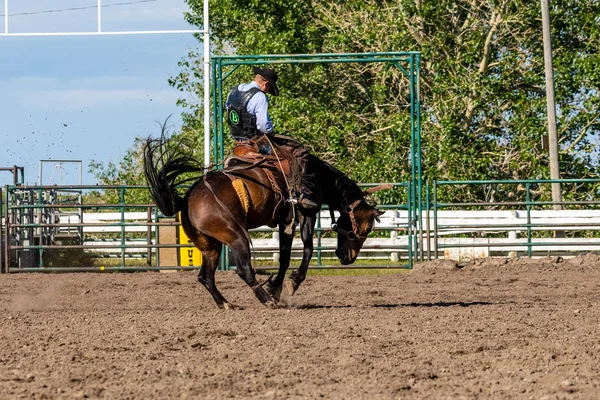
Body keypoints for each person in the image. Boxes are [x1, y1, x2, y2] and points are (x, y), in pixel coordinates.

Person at [226, 66, 318, 210]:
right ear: (265, 84)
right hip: (257, 142)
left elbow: (229, 111)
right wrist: (271, 130)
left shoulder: (234, 90)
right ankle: (297, 193)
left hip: (238, 142)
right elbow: (264, 126)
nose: (267, 91)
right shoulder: (259, 96)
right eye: (269, 88)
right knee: (299, 152)